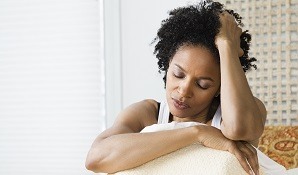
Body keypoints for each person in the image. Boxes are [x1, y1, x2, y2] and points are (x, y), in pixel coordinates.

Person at [86, 1, 267, 174]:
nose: (184, 90)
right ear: (167, 64)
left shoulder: (245, 113)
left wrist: (226, 45)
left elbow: (238, 129)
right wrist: (197, 133)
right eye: (178, 75)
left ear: (220, 87)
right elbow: (96, 158)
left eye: (202, 85)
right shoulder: (146, 114)